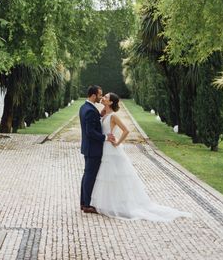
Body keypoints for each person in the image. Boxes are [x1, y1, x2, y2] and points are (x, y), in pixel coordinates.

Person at [90, 93, 192, 221]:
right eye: (103, 96)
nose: (103, 98)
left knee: (115, 175)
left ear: (110, 102)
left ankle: (120, 205)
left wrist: (117, 142)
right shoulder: (104, 113)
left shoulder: (113, 116)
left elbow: (126, 130)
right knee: (108, 176)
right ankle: (109, 203)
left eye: (106, 97)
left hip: (112, 149)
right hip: (105, 148)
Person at [79, 85, 115, 214]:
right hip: (93, 149)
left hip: (88, 148)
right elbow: (90, 132)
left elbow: (92, 124)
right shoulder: (89, 110)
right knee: (90, 176)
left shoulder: (84, 107)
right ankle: (87, 205)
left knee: (87, 174)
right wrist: (105, 137)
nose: (101, 97)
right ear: (93, 95)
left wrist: (99, 116)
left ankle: (83, 203)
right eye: (100, 95)